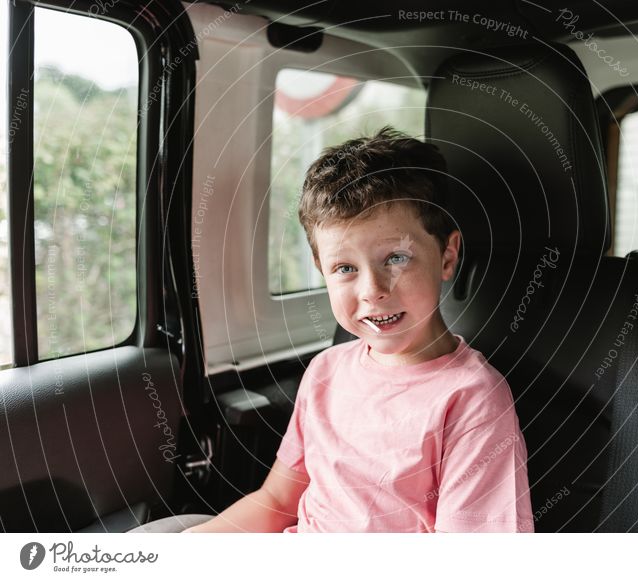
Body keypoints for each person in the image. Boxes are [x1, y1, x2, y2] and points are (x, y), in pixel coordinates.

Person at [185, 127, 533, 533]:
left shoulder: (471, 401)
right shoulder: (326, 371)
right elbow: (278, 500)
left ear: (447, 255)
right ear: (322, 272)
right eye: (345, 268)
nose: (373, 291)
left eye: (397, 258)